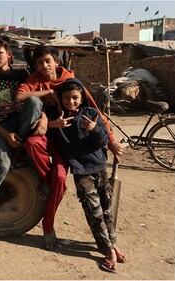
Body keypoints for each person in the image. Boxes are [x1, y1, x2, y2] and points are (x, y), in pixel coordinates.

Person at [16, 45, 124, 250]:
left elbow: (95, 113)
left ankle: (48, 223)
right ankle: (52, 187)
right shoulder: (35, 80)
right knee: (33, 145)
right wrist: (48, 101)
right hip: (49, 133)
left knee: (62, 177)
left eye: (48, 61)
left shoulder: (71, 82)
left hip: (69, 143)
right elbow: (23, 98)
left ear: (56, 61)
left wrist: (110, 140)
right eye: (39, 63)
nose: (44, 66)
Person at [51, 78, 127, 272]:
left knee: (107, 208)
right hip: (81, 171)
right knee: (94, 212)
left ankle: (112, 242)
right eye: (66, 98)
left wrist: (94, 129)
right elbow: (43, 126)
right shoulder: (59, 117)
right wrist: (54, 124)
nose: (71, 101)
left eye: (75, 97)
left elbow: (103, 140)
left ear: (82, 97)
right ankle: (107, 250)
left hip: (99, 166)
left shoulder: (91, 114)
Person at [0, 34, 37, 230]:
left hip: (22, 125)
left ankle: (21, 146)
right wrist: (6, 135)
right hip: (1, 127)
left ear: (9, 54)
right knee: (2, 165)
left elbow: (35, 102)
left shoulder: (22, 74)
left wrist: (43, 119)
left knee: (35, 101)